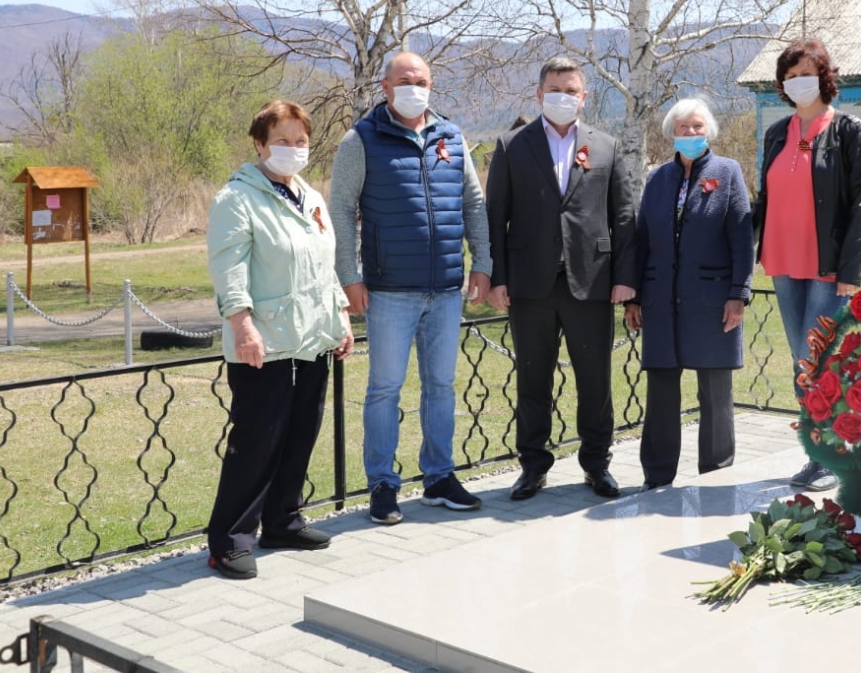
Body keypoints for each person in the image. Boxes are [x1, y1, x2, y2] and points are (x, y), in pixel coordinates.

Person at [329, 51, 492, 525]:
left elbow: (473, 205)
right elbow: (341, 208)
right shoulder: (361, 139)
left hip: (444, 289)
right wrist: (350, 275)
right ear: (385, 87)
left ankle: (439, 477)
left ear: (431, 85)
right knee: (385, 389)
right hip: (388, 290)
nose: (412, 87)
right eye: (403, 80)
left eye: (420, 80)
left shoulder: (451, 137)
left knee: (441, 387)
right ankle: (382, 483)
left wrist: (481, 263)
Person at [205, 100, 355, 580]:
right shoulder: (237, 198)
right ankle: (229, 540)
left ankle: (283, 521)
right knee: (256, 441)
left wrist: (341, 318)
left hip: (311, 338)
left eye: (300, 141)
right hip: (262, 343)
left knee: (298, 436)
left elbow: (322, 265)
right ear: (259, 144)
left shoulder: (310, 197)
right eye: (282, 140)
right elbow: (228, 268)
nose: (292, 149)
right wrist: (242, 323)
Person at [486, 56, 637, 500]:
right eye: (554, 90)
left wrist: (626, 278)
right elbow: (496, 216)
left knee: (596, 380)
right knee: (533, 379)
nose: (562, 97)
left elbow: (623, 216)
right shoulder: (512, 145)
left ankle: (597, 464)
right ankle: (532, 466)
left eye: (571, 91)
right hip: (529, 285)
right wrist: (497, 278)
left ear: (584, 96)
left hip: (590, 282)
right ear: (538, 94)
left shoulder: (606, 146)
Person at [754, 39, 861, 492]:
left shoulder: (848, 130)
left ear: (824, 76)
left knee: (815, 360)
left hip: (826, 267)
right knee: (803, 363)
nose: (798, 79)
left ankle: (831, 456)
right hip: (782, 261)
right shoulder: (775, 133)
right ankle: (820, 453)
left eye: (807, 71)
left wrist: (849, 274)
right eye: (790, 73)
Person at [624, 99, 753, 490]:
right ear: (672, 134)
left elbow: (742, 238)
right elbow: (642, 239)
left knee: (715, 391)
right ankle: (658, 476)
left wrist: (739, 294)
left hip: (713, 301)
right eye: (684, 128)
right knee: (662, 389)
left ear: (709, 130)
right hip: (661, 300)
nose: (692, 133)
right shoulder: (658, 178)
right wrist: (633, 296)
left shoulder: (727, 172)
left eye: (698, 126)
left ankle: (717, 473)